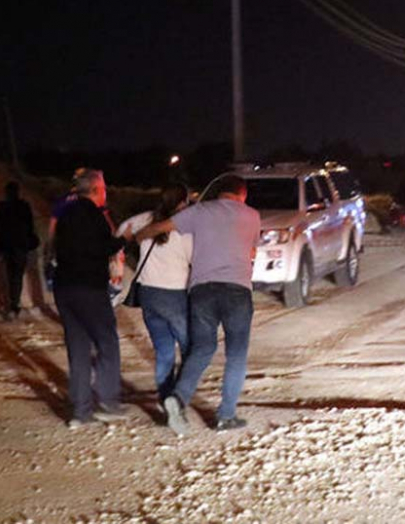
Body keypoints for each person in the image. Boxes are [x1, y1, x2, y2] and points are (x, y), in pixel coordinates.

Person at [134, 174, 260, 435]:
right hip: (237, 291)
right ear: (242, 195)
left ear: (219, 192)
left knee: (203, 347)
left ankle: (178, 398)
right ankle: (226, 416)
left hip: (202, 291)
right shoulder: (252, 215)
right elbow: (251, 252)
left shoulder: (200, 211)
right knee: (236, 354)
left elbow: (161, 228)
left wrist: (140, 235)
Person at [53, 169, 128, 427]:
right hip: (89, 288)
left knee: (78, 349)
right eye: (104, 188)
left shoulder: (65, 214)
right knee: (107, 342)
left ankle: (80, 411)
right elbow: (102, 247)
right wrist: (122, 241)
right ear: (96, 190)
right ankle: (108, 400)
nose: (105, 193)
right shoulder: (93, 214)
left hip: (64, 289)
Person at [116, 184, 193, 403]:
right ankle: (178, 399)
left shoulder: (147, 219)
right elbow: (194, 258)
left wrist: (131, 238)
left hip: (148, 293)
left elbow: (122, 229)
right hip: (174, 294)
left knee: (164, 351)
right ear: (182, 202)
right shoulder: (185, 228)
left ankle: (164, 397)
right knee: (191, 349)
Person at [0, 181, 40, 319]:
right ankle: (13, 306)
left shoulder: (1, 207)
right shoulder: (24, 206)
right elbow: (30, 227)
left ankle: (8, 304)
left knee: (7, 275)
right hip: (21, 246)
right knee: (16, 276)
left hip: (6, 246)